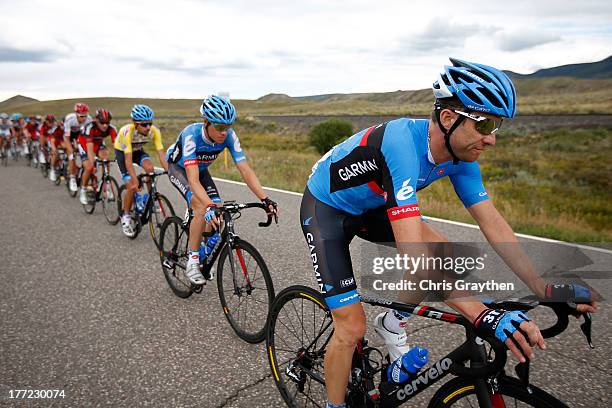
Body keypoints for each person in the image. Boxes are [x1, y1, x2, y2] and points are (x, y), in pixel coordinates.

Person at [301, 58, 598, 408]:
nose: (491, 139)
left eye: (496, 126)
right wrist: (480, 312)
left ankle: (394, 321)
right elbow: (416, 261)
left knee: (450, 253)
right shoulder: (402, 145)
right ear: (447, 118)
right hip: (327, 210)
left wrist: (541, 287)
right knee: (351, 328)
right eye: (484, 124)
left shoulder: (462, 158)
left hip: (372, 206)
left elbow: (494, 224)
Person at [166, 95, 278, 285]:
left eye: (227, 126)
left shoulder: (229, 136)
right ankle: (193, 261)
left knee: (218, 207)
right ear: (206, 122)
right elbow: (192, 180)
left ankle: (204, 251)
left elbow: (245, 169)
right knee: (201, 207)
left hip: (201, 170)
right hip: (180, 170)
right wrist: (206, 205)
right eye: (219, 127)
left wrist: (265, 198)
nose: (223, 132)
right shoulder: (191, 135)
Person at [114, 104, 168, 237]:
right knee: (132, 186)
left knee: (150, 169)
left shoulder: (154, 131)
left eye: (150, 123)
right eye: (144, 124)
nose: (148, 127)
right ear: (135, 124)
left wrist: (169, 171)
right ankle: (125, 216)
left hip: (137, 151)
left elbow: (161, 153)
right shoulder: (127, 132)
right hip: (123, 153)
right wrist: (133, 179)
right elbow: (128, 160)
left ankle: (151, 198)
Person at [77, 109, 117, 205]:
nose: (105, 125)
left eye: (107, 123)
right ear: (96, 121)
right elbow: (90, 150)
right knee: (89, 167)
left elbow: (117, 145)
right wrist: (93, 164)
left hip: (98, 144)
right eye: (102, 123)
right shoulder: (90, 127)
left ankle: (105, 187)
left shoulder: (112, 129)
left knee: (106, 159)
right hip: (85, 145)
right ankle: (83, 189)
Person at [63, 103, 92, 192]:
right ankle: (72, 178)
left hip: (80, 134)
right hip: (70, 135)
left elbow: (88, 138)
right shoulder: (70, 120)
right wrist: (70, 148)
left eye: (85, 116)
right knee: (71, 154)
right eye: (81, 116)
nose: (84, 118)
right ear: (76, 114)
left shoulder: (89, 120)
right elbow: (66, 138)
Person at [41, 114, 65, 181]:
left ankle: (64, 166)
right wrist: (53, 148)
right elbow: (51, 139)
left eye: (52, 121)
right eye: (49, 121)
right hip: (52, 139)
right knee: (55, 153)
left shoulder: (65, 126)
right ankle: (52, 169)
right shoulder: (55, 127)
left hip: (61, 140)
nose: (50, 123)